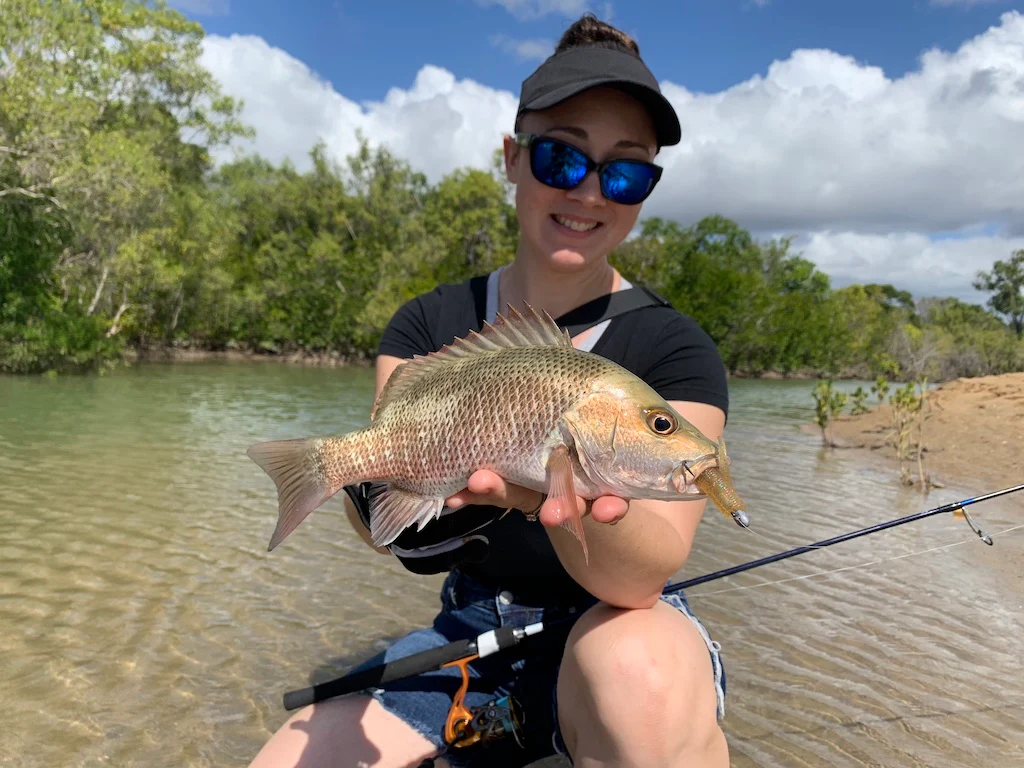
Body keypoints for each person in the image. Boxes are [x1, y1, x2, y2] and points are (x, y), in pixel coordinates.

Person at [248, 13, 731, 768]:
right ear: (511, 159)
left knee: (639, 668)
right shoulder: (425, 324)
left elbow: (643, 579)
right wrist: (360, 481)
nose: (591, 191)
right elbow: (403, 541)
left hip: (620, 629)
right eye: (561, 159)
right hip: (471, 629)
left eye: (626, 171)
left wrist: (548, 498)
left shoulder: (676, 349)